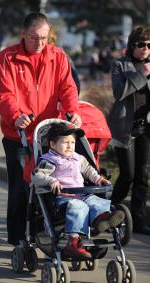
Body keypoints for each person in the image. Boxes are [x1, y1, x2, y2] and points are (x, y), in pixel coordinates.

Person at [0, 12, 82, 246]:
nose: (40, 43)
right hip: (18, 135)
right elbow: (4, 93)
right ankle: (17, 240)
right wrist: (15, 116)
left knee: (50, 185)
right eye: (34, 38)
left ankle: (45, 233)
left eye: (44, 38)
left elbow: (68, 87)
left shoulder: (58, 56)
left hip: (48, 136)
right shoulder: (8, 57)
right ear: (23, 34)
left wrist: (72, 110)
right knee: (21, 187)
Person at [31, 123, 124, 259]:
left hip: (82, 194)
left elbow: (88, 171)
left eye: (72, 142)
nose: (70, 146)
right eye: (65, 142)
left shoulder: (78, 158)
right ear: (52, 144)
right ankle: (73, 242)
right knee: (78, 206)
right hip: (64, 198)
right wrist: (50, 180)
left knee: (96, 201)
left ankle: (102, 219)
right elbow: (36, 176)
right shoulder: (50, 161)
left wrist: (98, 179)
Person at [107, 26, 150, 235]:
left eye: (149, 45)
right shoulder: (120, 65)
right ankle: (107, 211)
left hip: (146, 128)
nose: (145, 49)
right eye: (141, 44)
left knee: (143, 176)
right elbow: (118, 93)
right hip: (125, 127)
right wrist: (141, 75)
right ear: (132, 45)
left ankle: (140, 222)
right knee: (128, 175)